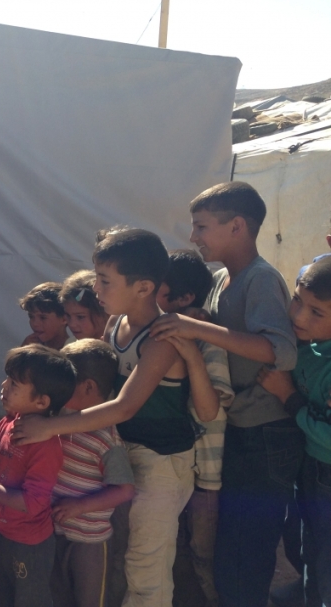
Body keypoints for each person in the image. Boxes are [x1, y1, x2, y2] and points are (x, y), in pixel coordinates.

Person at [12, 228, 219, 607]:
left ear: (142, 287)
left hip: (160, 463)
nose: (96, 288)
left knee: (147, 571)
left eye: (105, 281)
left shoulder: (161, 338)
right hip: (122, 456)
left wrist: (50, 427)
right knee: (123, 555)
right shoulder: (115, 324)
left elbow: (124, 406)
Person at [149, 182, 301, 607]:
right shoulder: (220, 279)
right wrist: (199, 318)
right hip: (243, 431)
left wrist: (196, 327)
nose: (194, 237)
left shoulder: (262, 279)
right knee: (231, 541)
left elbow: (280, 350)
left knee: (248, 545)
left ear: (237, 226)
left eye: (202, 226)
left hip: (268, 434)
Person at [0, 344, 75, 607]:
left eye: (14, 383)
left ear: (42, 402)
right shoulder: (9, 422)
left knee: (29, 599)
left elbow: (32, 503)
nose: (3, 386)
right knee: (2, 593)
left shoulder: (46, 445)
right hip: (3, 531)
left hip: (30, 544)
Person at [156, 249, 233, 607]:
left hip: (206, 477)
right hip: (179, 469)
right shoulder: (158, 333)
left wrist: (192, 353)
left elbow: (210, 409)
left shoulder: (208, 342)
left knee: (204, 554)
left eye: (157, 288)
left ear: (185, 298)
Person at [258, 256, 331, 607]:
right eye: (298, 300)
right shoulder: (309, 344)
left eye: (316, 312)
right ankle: (308, 591)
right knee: (307, 542)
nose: (299, 316)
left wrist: (287, 396)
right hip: (312, 467)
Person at [51, 339, 135, 607]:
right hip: (54, 533)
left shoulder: (107, 439)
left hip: (91, 542)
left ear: (88, 386)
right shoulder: (56, 419)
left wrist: (81, 506)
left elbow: (124, 489)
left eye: (66, 381)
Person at [59, 270, 109, 341]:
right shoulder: (71, 345)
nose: (72, 324)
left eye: (80, 317)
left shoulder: (119, 345)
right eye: (68, 315)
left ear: (103, 312)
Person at [19, 281, 68, 349]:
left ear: (64, 319)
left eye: (43, 317)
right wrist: (23, 352)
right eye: (31, 316)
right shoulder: (31, 347)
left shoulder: (74, 352)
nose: (35, 324)